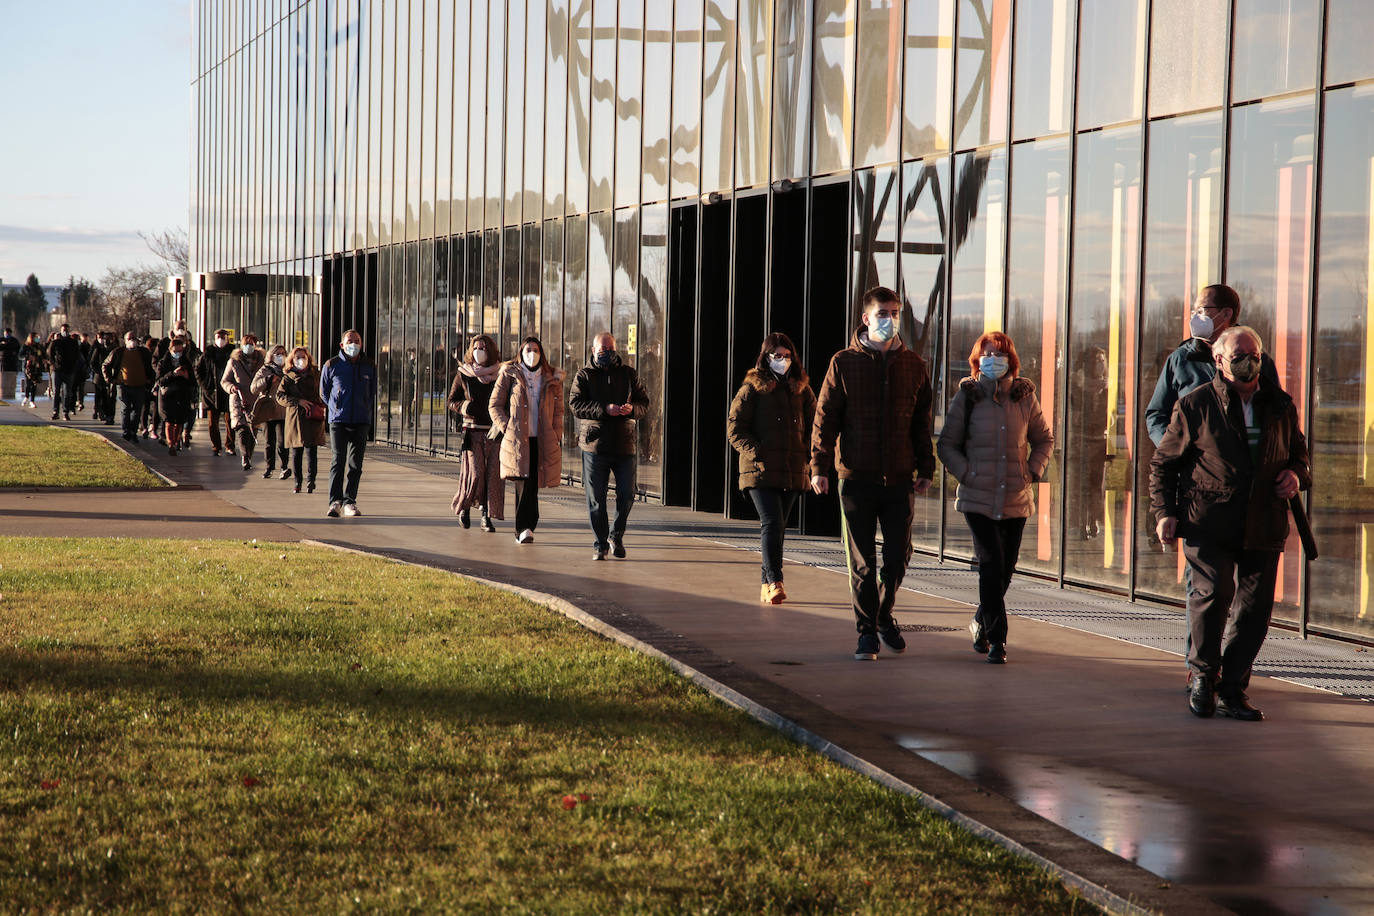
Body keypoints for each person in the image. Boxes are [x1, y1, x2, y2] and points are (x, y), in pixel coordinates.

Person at [1150, 326, 1310, 721]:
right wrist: (1164, 513)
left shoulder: (1280, 405)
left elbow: (1301, 458)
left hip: (1264, 523)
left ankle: (1233, 688)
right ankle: (1204, 676)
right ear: (1219, 361)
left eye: (1254, 353)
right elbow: (1164, 466)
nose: (1248, 360)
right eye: (1239, 354)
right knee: (1212, 597)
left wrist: (1296, 474)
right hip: (1209, 522)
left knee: (1254, 612)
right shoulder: (1194, 405)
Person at [810, 286, 936, 661]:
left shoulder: (914, 364)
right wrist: (819, 467)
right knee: (864, 564)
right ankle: (866, 633)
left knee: (898, 557)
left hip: (898, 478)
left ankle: (883, 614)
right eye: (883, 313)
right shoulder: (844, 362)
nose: (890, 320)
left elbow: (921, 423)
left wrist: (926, 467)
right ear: (866, 318)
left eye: (895, 313)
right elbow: (824, 419)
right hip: (856, 479)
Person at [937, 331, 1054, 664]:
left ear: (1010, 359)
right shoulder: (968, 396)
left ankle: (980, 621)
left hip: (1016, 497)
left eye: (999, 354)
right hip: (977, 497)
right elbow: (947, 444)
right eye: (986, 355)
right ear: (977, 360)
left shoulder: (1024, 397)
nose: (993, 360)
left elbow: (1044, 439)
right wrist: (968, 473)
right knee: (990, 564)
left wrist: (1032, 470)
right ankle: (997, 640)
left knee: (1005, 568)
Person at [727, 332, 816, 604]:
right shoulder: (752, 389)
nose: (783, 361)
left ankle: (766, 582)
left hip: (791, 469)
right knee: (772, 522)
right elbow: (735, 429)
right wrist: (759, 452)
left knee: (778, 527)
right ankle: (776, 581)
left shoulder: (801, 389)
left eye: (787, 356)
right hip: (760, 471)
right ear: (766, 358)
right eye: (778, 356)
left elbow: (816, 427)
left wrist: (812, 458)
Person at [1146, 284, 1280, 448]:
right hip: (1195, 469)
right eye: (1194, 311)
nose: (1195, 317)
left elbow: (1278, 415)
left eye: (1202, 310)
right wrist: (1173, 449)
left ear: (1226, 314)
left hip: (1247, 466)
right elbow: (1157, 414)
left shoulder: (1257, 360)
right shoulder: (1181, 359)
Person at [569, 332, 651, 560]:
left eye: (611, 348)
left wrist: (631, 410)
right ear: (594, 350)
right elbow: (575, 405)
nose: (608, 353)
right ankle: (600, 543)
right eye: (603, 349)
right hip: (595, 445)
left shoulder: (628, 374)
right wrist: (604, 409)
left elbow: (644, 403)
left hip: (624, 445)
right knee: (597, 498)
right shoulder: (584, 375)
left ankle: (617, 535)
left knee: (627, 494)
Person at [488, 336, 564, 544]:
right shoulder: (510, 373)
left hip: (541, 438)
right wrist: (507, 426)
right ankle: (524, 528)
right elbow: (494, 405)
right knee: (523, 482)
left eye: (536, 350)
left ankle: (527, 525)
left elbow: (559, 410)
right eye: (528, 349)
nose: (532, 353)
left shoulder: (550, 377)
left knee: (533, 483)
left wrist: (557, 433)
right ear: (521, 352)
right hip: (519, 437)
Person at [448, 334, 504, 531]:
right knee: (476, 473)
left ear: (490, 351)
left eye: (483, 348)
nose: (479, 351)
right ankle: (465, 508)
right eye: (476, 348)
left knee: (492, 475)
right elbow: (451, 400)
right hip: (472, 432)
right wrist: (465, 407)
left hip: (493, 432)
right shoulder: (464, 373)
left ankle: (486, 515)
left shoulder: (500, 374)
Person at [320, 329, 378, 517]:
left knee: (356, 464)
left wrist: (364, 407)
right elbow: (324, 391)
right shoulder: (332, 365)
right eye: (349, 341)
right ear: (342, 344)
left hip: (361, 420)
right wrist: (335, 407)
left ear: (361, 344)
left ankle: (349, 501)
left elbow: (373, 392)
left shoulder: (369, 365)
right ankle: (334, 501)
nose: (353, 344)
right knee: (338, 460)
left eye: (357, 341)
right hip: (338, 420)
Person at [276, 347, 328, 494]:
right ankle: (298, 481)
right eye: (297, 357)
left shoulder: (316, 374)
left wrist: (321, 403)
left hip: (313, 417)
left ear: (308, 358)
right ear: (292, 360)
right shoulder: (288, 377)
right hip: (295, 418)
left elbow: (324, 391)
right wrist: (298, 401)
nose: (301, 360)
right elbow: (280, 396)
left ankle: (311, 480)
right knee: (296, 452)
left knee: (312, 451)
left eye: (303, 357)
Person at [221, 333, 266, 471]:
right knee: (242, 428)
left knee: (253, 429)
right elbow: (225, 381)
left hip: (256, 400)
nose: (249, 346)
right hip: (239, 399)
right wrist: (231, 387)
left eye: (252, 343)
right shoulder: (234, 362)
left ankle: (248, 455)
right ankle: (245, 457)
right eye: (246, 344)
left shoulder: (262, 361)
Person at [102, 332, 155, 442]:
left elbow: (152, 366)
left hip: (140, 386)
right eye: (129, 338)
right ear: (125, 340)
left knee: (137, 410)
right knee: (125, 409)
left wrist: (150, 380)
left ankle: (133, 431)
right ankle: (126, 431)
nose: (132, 341)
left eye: (134, 338)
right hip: (123, 385)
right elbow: (105, 365)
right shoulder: (118, 352)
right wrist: (110, 379)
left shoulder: (144, 352)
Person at [250, 344, 292, 479]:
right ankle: (269, 467)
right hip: (268, 410)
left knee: (282, 442)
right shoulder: (265, 370)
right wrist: (268, 380)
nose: (280, 356)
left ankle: (284, 467)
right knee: (269, 441)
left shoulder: (288, 370)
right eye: (277, 354)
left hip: (283, 410)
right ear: (271, 356)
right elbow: (254, 388)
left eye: (283, 353)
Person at [153, 335, 197, 455]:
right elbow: (159, 380)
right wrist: (173, 374)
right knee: (169, 421)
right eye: (175, 351)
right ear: (170, 350)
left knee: (179, 421)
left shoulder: (186, 363)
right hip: (167, 395)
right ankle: (171, 443)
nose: (178, 353)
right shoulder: (163, 362)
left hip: (182, 394)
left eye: (180, 351)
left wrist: (186, 376)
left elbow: (193, 381)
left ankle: (177, 440)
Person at [196, 329, 235, 456]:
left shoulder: (233, 351)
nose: (221, 339)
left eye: (223, 336)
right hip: (211, 393)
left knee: (231, 421)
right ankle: (216, 446)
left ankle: (230, 445)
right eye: (219, 336)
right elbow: (198, 370)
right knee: (213, 422)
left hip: (228, 392)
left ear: (227, 338)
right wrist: (205, 386)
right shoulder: (208, 352)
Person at [46, 323, 82, 421]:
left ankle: (65, 412)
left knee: (67, 392)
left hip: (68, 370)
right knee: (56, 391)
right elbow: (49, 354)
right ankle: (55, 411)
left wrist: (73, 367)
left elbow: (77, 356)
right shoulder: (55, 342)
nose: (65, 331)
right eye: (63, 330)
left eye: (66, 330)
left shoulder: (73, 342)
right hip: (57, 370)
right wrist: (54, 365)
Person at [20, 332, 45, 408]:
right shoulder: (26, 346)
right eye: (35, 337)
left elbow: (43, 354)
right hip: (28, 367)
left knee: (35, 383)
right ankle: (27, 396)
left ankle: (32, 400)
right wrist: (28, 357)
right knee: (28, 383)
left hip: (36, 367)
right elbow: (20, 355)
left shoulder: (39, 346)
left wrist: (43, 359)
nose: (37, 339)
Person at [0, 327, 20, 399]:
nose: (7, 334)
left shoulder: (14, 340)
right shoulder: (1, 339)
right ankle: (3, 391)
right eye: (5, 333)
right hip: (3, 360)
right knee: (4, 374)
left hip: (12, 360)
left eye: (8, 333)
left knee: (12, 373)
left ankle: (11, 391)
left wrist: (5, 345)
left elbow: (16, 348)